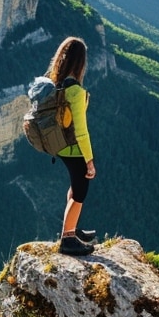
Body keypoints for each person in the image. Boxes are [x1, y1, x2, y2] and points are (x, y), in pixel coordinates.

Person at [46, 36, 98, 256]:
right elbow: (81, 131)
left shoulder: (54, 84)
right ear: (80, 62)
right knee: (81, 190)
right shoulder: (74, 90)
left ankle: (72, 228)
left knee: (75, 184)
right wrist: (89, 160)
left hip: (58, 144)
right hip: (71, 146)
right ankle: (67, 239)